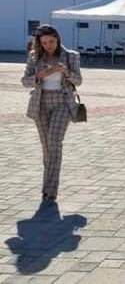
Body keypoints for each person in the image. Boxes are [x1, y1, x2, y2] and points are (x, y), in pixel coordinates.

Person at [21, 24, 82, 202]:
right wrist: (41, 75)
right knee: (46, 147)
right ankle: (47, 185)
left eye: (52, 41)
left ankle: (51, 189)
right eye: (45, 42)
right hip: (40, 103)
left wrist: (66, 72)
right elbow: (25, 81)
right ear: (39, 43)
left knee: (54, 142)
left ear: (58, 39)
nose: (49, 45)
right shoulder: (34, 57)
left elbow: (79, 81)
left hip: (62, 102)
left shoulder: (71, 56)